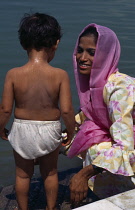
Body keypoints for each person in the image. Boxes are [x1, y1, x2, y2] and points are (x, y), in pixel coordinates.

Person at [0, 13, 75, 210]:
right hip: (50, 130)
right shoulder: (60, 75)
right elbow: (66, 110)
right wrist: (71, 130)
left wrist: (1, 127)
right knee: (50, 173)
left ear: (23, 44)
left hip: (22, 130)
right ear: (56, 44)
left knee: (22, 174)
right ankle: (51, 208)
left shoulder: (13, 74)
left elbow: (6, 108)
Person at [67, 23, 135, 204]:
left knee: (99, 148)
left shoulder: (118, 88)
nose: (82, 58)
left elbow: (125, 148)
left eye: (91, 52)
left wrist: (84, 174)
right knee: (86, 132)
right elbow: (85, 119)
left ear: (106, 55)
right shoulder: (95, 84)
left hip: (129, 143)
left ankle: (122, 196)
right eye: (79, 51)